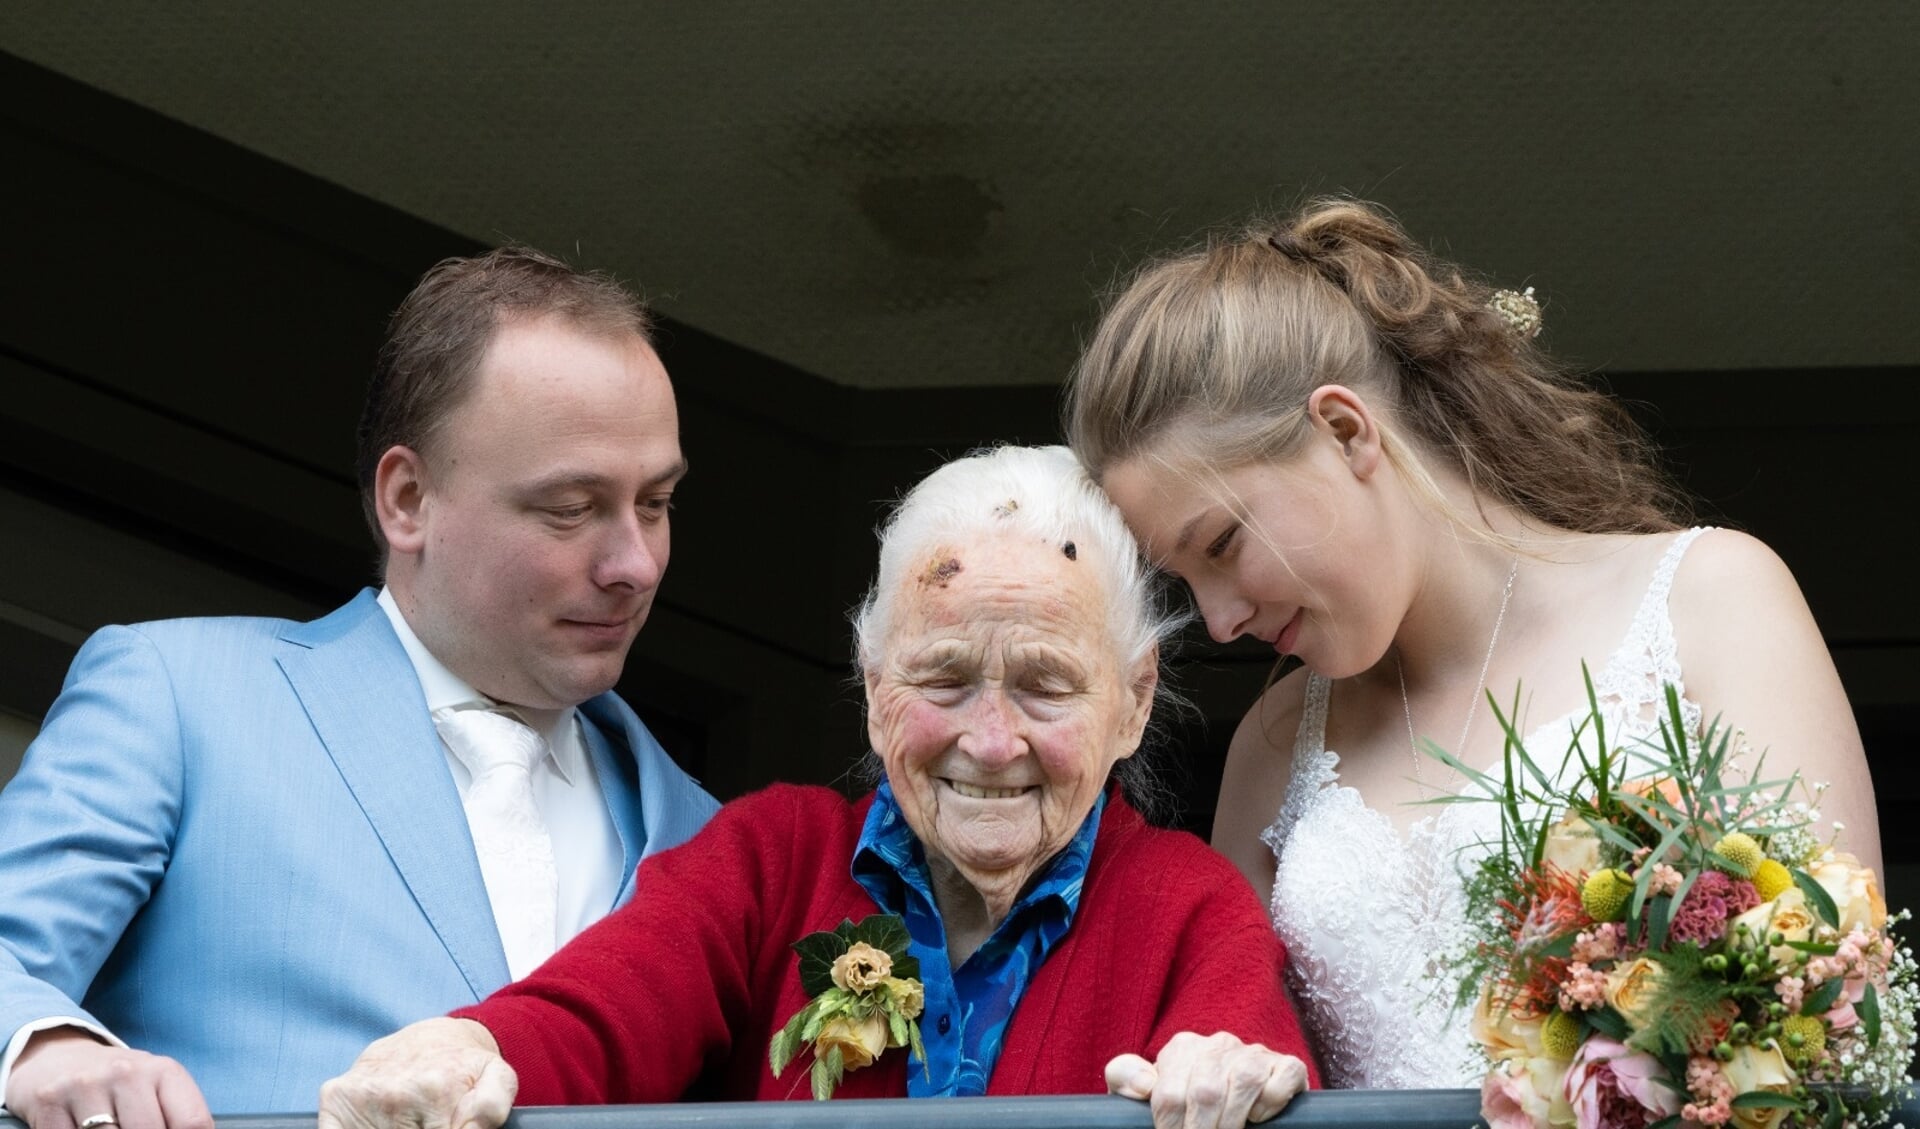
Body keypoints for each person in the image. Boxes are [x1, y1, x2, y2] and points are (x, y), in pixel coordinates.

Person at [1063, 199, 1881, 1089]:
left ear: (1345, 431)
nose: (1218, 621)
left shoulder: (1713, 601)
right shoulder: (1270, 742)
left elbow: (1831, 1013)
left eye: (1222, 544)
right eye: (1184, 583)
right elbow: (1232, 1028)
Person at [316, 444, 1318, 1129]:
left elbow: (1263, 1067)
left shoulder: (1190, 907)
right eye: (944, 679)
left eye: (1048, 686)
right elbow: (595, 1017)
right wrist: (463, 1047)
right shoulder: (771, 861)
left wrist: (1234, 1081)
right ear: (876, 686)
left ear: (1134, 700)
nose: (992, 738)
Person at [0, 246, 721, 1126]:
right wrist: (40, 1042)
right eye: (572, 507)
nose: (636, 564)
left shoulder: (714, 839)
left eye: (656, 502)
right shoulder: (182, 697)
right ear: (408, 498)